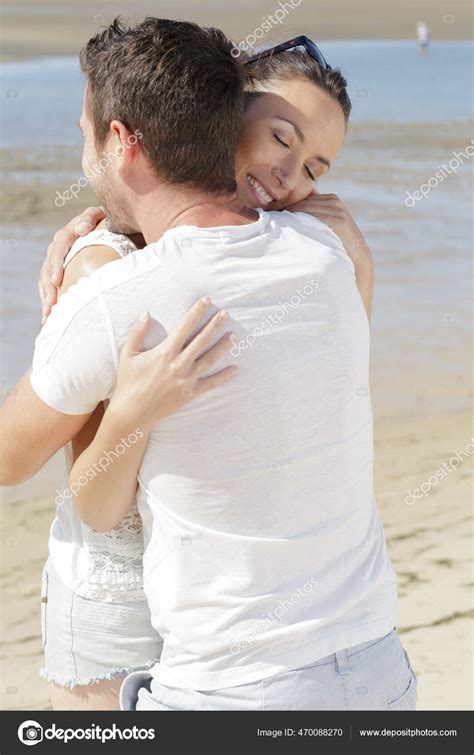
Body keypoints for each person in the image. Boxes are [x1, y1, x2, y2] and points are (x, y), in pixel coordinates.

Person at [0, 18, 415, 710]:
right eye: (281, 137)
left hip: (230, 682)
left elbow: (46, 474)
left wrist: (91, 264)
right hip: (372, 663)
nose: (289, 175)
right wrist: (92, 236)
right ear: (227, 115)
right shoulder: (324, 257)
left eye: (314, 167)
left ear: (122, 141)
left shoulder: (116, 289)